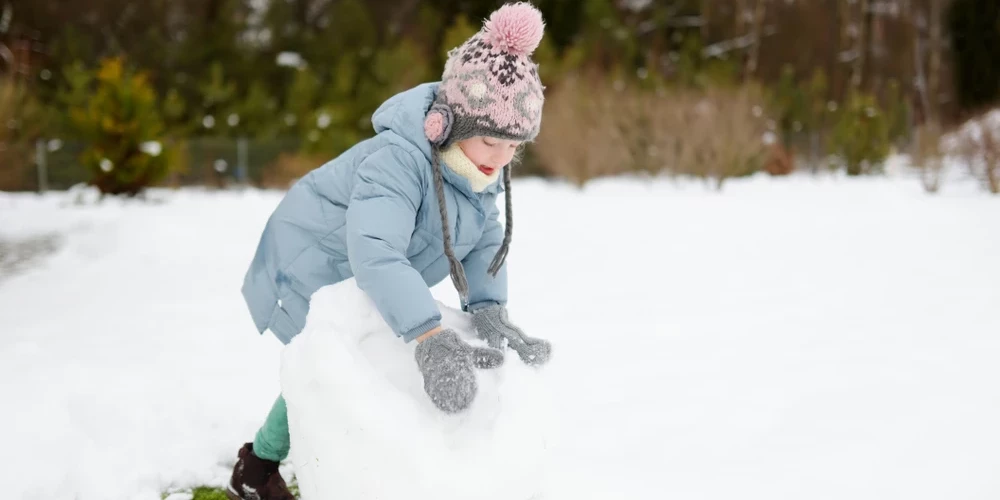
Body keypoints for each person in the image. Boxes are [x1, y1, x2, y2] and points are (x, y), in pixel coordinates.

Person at [225, 3, 553, 499]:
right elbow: (375, 251)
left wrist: (488, 309)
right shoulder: (398, 162)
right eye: (490, 141)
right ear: (449, 124)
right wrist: (429, 336)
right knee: (327, 358)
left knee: (350, 354)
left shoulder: (473, 168)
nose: (501, 160)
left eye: (514, 147)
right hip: (314, 257)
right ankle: (258, 469)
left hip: (364, 267)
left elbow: (485, 239)